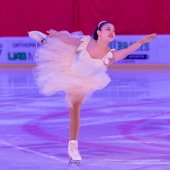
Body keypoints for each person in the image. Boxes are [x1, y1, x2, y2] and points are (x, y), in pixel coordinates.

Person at [28, 21, 156, 163]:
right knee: (59, 48)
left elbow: (126, 51)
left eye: (114, 30)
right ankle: (45, 40)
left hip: (83, 81)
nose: (112, 31)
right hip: (68, 66)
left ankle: (72, 146)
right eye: (108, 29)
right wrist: (56, 34)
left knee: (74, 109)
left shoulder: (110, 56)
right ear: (99, 32)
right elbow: (68, 40)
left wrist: (142, 41)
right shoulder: (85, 41)